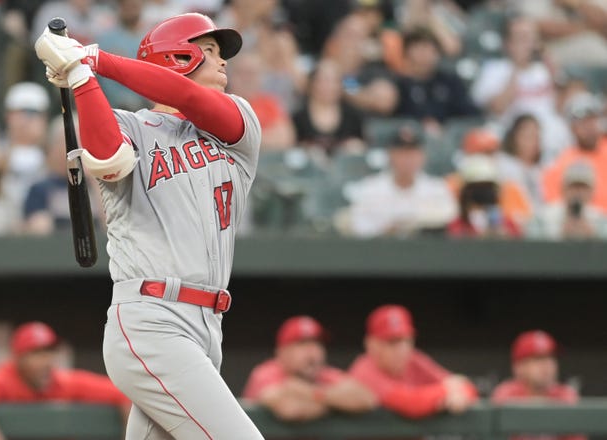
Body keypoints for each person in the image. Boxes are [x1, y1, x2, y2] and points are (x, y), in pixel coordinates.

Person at [35, 12, 264, 439]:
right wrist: (81, 75)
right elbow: (107, 160)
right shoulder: (130, 125)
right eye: (210, 50)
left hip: (207, 327)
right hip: (151, 320)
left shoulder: (239, 121)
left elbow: (187, 98)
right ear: (177, 55)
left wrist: (93, 58)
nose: (223, 62)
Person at [0, 321, 130, 440]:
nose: (45, 360)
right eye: (36, 353)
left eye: (49, 351)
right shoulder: (5, 378)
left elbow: (123, 393)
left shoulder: (61, 380)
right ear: (18, 357)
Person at [349, 305, 477, 419]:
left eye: (407, 340)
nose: (402, 349)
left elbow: (466, 385)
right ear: (371, 344)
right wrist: (447, 392)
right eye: (392, 342)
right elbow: (410, 403)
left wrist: (461, 394)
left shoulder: (413, 359)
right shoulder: (363, 370)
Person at [243, 316, 376, 421]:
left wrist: (311, 393)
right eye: (302, 344)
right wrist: (338, 403)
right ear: (281, 352)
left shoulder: (325, 374)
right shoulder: (266, 373)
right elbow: (291, 409)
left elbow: (366, 399)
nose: (312, 351)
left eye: (316, 343)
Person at [340, 124, 457, 237]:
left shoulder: (437, 189)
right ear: (390, 155)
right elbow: (359, 229)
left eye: (412, 153)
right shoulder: (370, 189)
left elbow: (449, 224)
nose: (407, 159)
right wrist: (389, 230)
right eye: (401, 153)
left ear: (422, 156)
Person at [471, 16, 559, 156]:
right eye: (522, 38)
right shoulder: (494, 70)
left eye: (532, 38)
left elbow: (561, 108)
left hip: (548, 140)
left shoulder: (544, 70)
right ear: (508, 43)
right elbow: (498, 108)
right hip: (509, 141)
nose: (528, 44)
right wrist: (517, 68)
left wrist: (553, 69)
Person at [492, 330, 585, 440]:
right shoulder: (507, 393)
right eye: (538, 359)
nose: (547, 365)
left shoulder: (565, 395)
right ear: (518, 367)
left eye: (550, 357)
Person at [23, 116, 103, 235]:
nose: (81, 149)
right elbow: (37, 229)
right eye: (76, 142)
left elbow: (111, 226)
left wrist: (93, 179)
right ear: (55, 147)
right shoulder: (40, 188)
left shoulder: (98, 186)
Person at [392, 27, 479, 135]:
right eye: (419, 48)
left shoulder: (450, 81)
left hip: (450, 138)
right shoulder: (399, 84)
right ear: (407, 52)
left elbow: (470, 113)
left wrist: (447, 128)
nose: (424, 54)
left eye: (430, 49)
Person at [543, 92, 607, 212]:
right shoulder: (562, 163)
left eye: (592, 120)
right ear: (572, 128)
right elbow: (555, 206)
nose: (588, 127)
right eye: (582, 122)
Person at [292, 59, 366, 154]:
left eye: (334, 81)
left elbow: (363, 147)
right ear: (311, 83)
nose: (329, 86)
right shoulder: (298, 117)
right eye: (323, 80)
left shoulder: (353, 116)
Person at [227, 51, 296, 150]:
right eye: (242, 73)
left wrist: (245, 139)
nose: (247, 79)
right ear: (231, 75)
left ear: (261, 77)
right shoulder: (223, 101)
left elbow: (286, 138)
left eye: (252, 73)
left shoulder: (269, 103)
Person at [447, 155, 522, 238]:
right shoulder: (457, 226)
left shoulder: (507, 225)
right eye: (477, 188)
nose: (483, 194)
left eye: (487, 188)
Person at [527, 161, 607, 240]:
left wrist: (593, 236)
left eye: (583, 187)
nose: (578, 192)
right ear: (563, 189)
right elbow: (532, 245)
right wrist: (560, 236)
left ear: (591, 191)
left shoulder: (600, 220)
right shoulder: (544, 218)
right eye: (574, 186)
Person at [2, 82, 50, 206]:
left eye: (33, 113)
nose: (26, 120)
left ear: (44, 119)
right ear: (8, 117)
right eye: (20, 113)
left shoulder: (53, 153)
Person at [97, 0, 150, 111]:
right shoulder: (107, 38)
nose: (130, 10)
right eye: (126, 5)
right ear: (120, 8)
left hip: (146, 102)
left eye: (134, 6)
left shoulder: (149, 38)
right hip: (115, 104)